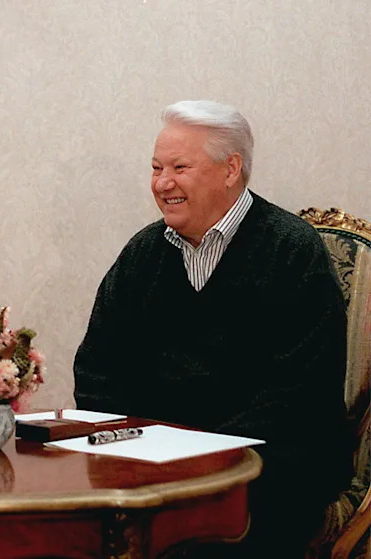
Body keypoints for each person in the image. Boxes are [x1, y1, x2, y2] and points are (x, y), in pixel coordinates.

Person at [73, 100, 353, 556]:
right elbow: (97, 367)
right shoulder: (143, 254)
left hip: (267, 465)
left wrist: (197, 455)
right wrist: (130, 441)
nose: (162, 184)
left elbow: (297, 396)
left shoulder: (292, 252)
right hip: (153, 462)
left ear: (231, 169)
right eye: (156, 167)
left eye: (179, 167)